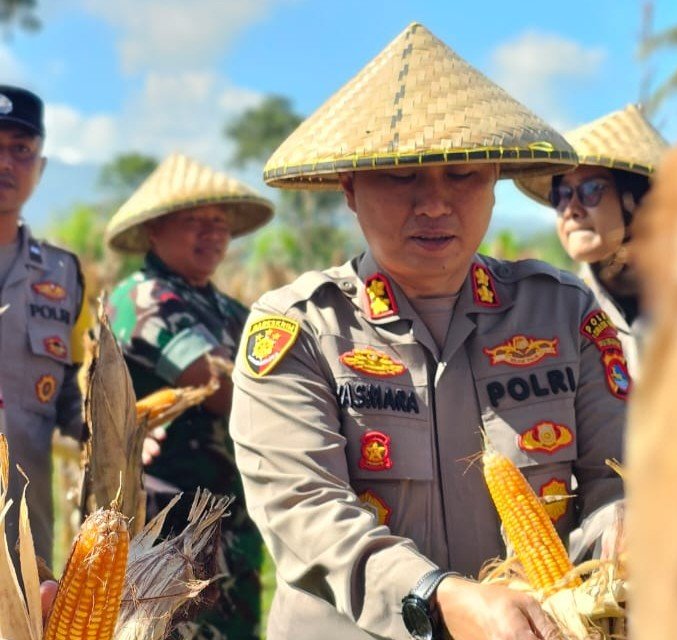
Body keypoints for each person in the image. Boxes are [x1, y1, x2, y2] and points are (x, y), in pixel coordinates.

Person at [230, 22, 627, 640]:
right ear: (349, 188)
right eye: (403, 176)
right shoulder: (299, 330)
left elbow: (618, 476)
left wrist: (624, 528)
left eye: (464, 175)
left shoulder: (564, 313)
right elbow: (304, 509)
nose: (436, 203)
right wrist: (434, 598)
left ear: (496, 181)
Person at [104, 153, 274, 640]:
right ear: (155, 230)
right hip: (167, 516)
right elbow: (219, 387)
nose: (213, 234)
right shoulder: (144, 298)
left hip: (229, 512)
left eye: (219, 223)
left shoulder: (231, 308)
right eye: (194, 221)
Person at [0, 85, 90, 564]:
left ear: (40, 167)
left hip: (24, 538)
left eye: (21, 150)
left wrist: (120, 428)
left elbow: (75, 392)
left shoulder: (64, 274)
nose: (5, 163)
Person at [515, 104, 667, 376]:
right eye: (561, 194)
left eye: (592, 189)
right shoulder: (556, 312)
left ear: (633, 200)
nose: (571, 208)